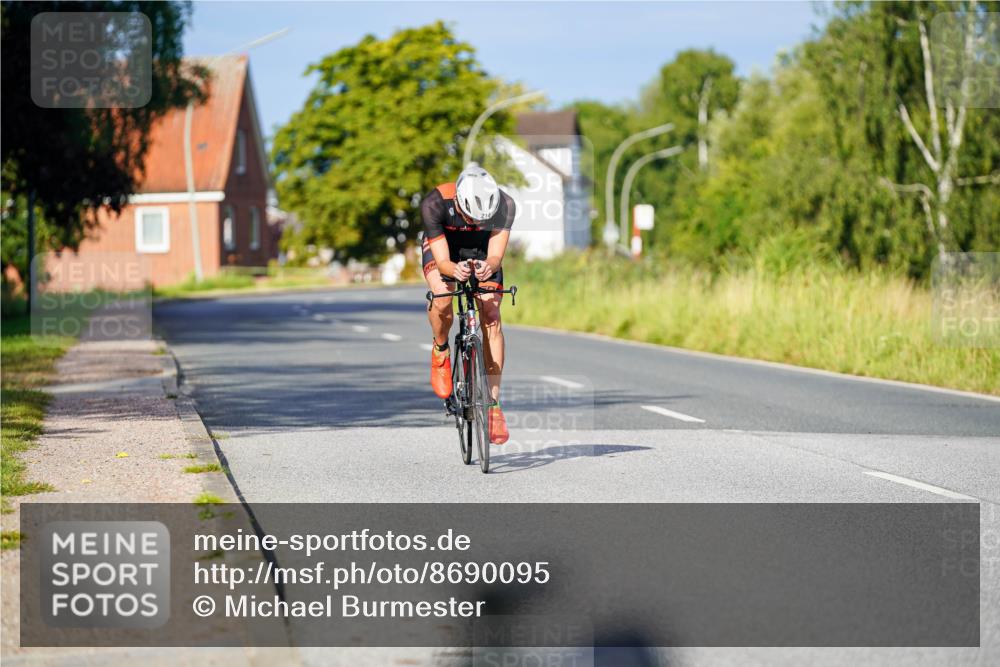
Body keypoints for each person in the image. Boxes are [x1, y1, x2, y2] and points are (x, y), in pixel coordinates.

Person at [420, 164, 515, 445]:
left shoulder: (506, 205)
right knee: (443, 296)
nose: (474, 223)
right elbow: (443, 262)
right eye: (470, 217)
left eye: (480, 219)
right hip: (446, 250)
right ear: (459, 204)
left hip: (482, 251)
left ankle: (494, 405)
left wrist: (489, 266)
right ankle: (440, 349)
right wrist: (453, 270)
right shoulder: (435, 203)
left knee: (491, 312)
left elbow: (496, 256)